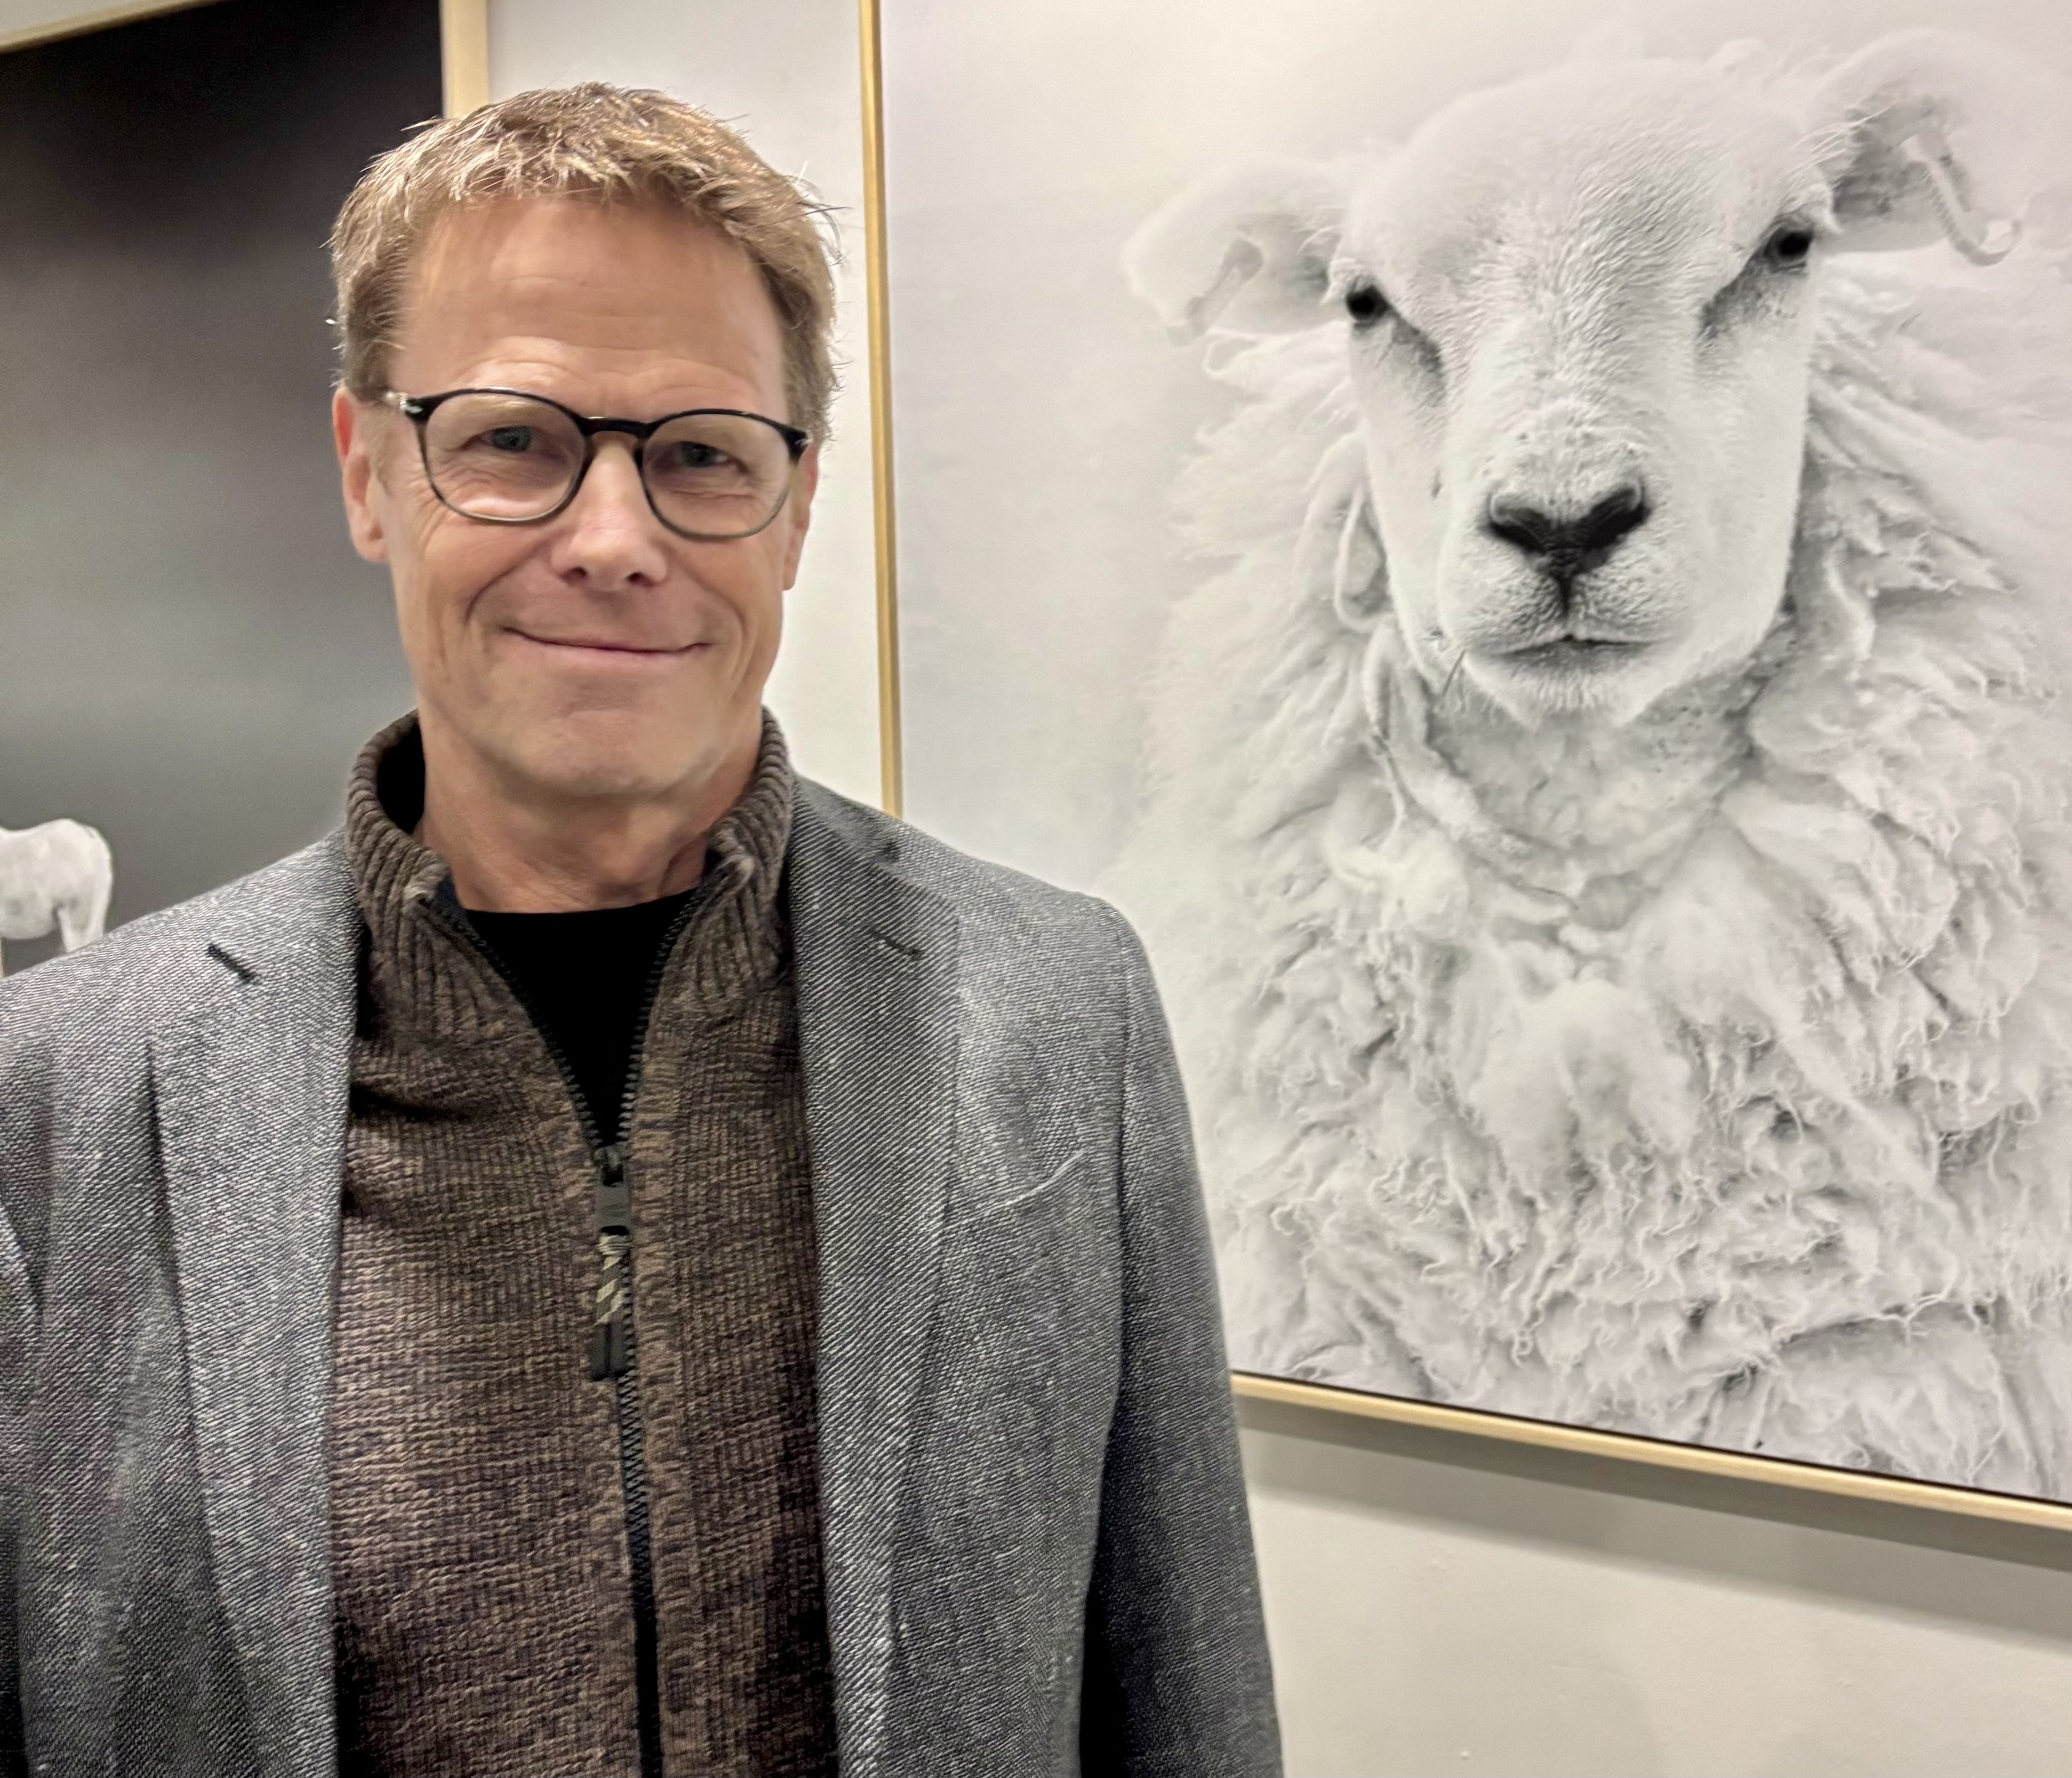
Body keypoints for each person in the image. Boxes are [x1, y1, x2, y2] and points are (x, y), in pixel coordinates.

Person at [0, 86, 1281, 1778]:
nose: (613, 541)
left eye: (701, 455)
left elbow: (1181, 1693)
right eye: (511, 441)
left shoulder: (1055, 1006)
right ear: (370, 471)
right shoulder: (63, 1089)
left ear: (796, 504)